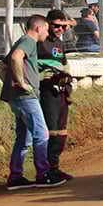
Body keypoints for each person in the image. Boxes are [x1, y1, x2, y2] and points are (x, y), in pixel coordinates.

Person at [1, 15, 66, 190]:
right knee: (41, 134)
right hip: (26, 98)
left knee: (24, 138)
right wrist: (21, 83)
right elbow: (15, 57)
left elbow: (1, 67)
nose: (47, 33)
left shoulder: (21, 42)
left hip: (16, 97)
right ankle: (43, 174)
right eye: (46, 29)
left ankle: (15, 177)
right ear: (38, 28)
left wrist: (11, 85)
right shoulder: (28, 41)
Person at [37, 9, 75, 180]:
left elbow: (64, 64)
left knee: (61, 132)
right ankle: (45, 171)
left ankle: (55, 167)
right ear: (48, 24)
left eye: (64, 27)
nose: (60, 29)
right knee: (50, 131)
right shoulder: (39, 42)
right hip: (46, 91)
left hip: (61, 91)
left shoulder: (60, 43)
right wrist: (42, 76)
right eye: (57, 26)